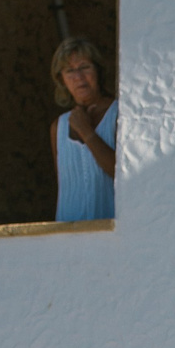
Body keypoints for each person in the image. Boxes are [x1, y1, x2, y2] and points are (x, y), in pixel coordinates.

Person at [51, 36, 116, 222]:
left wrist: (86, 132)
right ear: (62, 80)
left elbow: (122, 173)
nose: (78, 77)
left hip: (111, 232)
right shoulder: (58, 127)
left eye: (84, 67)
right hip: (69, 234)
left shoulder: (119, 113)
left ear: (98, 71)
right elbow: (65, 185)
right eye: (70, 70)